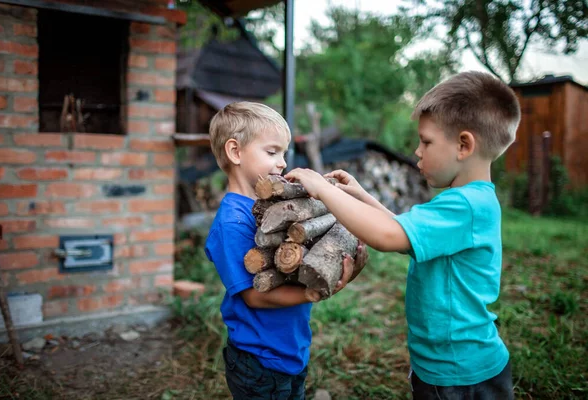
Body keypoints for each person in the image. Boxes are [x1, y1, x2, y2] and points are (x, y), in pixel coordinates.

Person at [285, 71, 520, 399]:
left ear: (464, 145)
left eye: (426, 141)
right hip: (450, 365)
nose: (417, 151)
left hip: (458, 375)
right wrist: (361, 196)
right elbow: (405, 230)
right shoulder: (470, 201)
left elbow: (387, 236)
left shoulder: (465, 205)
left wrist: (323, 189)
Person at [204, 101, 366, 400]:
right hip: (258, 360)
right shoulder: (232, 222)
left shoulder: (273, 210)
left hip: (290, 348)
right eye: (271, 152)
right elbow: (254, 296)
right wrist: (310, 294)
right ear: (235, 152)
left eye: (283, 153)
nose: (281, 163)